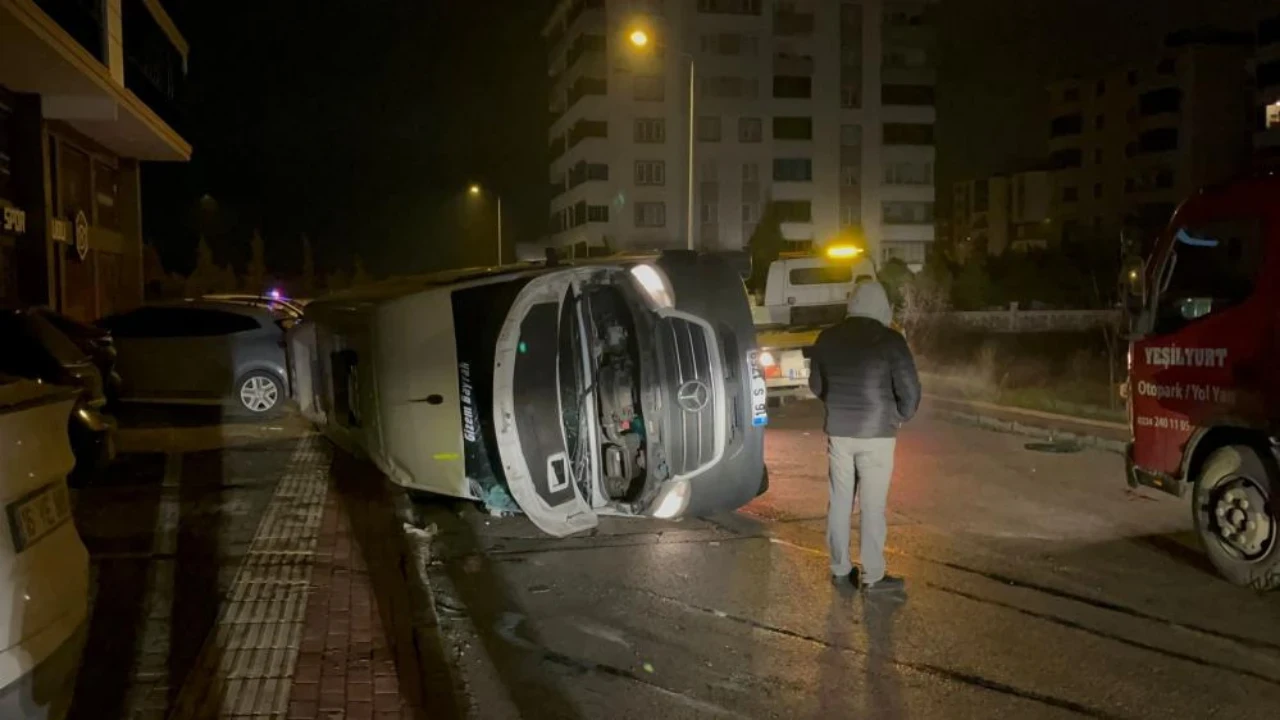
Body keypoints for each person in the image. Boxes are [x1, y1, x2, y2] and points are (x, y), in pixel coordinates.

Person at [808, 280, 920, 593]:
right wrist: (897, 417)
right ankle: (873, 575)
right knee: (872, 507)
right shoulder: (890, 340)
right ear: (883, 306)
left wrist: (839, 405)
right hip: (878, 435)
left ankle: (841, 570)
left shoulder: (827, 338)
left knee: (840, 502)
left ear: (852, 304)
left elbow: (816, 385)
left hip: (840, 433)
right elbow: (910, 391)